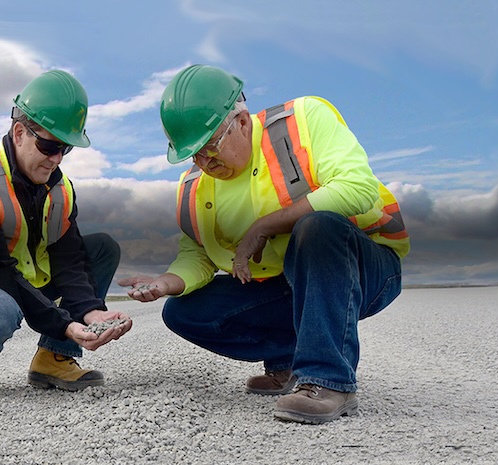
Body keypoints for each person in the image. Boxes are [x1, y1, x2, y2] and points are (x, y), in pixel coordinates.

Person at [120, 64, 409, 424]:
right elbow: (198, 255)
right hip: (290, 286)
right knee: (183, 312)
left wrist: (266, 226)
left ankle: (328, 380)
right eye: (192, 154)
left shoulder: (302, 121)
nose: (203, 162)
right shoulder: (195, 186)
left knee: (317, 227)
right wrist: (164, 283)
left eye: (210, 146)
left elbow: (358, 188)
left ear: (241, 122)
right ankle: (290, 361)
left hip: (365, 269)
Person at [0, 70, 132, 398]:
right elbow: (0, 271)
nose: (56, 159)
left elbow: (70, 260)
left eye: (65, 149)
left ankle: (54, 358)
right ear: (19, 132)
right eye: (48, 145)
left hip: (18, 277)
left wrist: (89, 311)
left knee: (102, 248)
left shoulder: (60, 189)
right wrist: (65, 324)